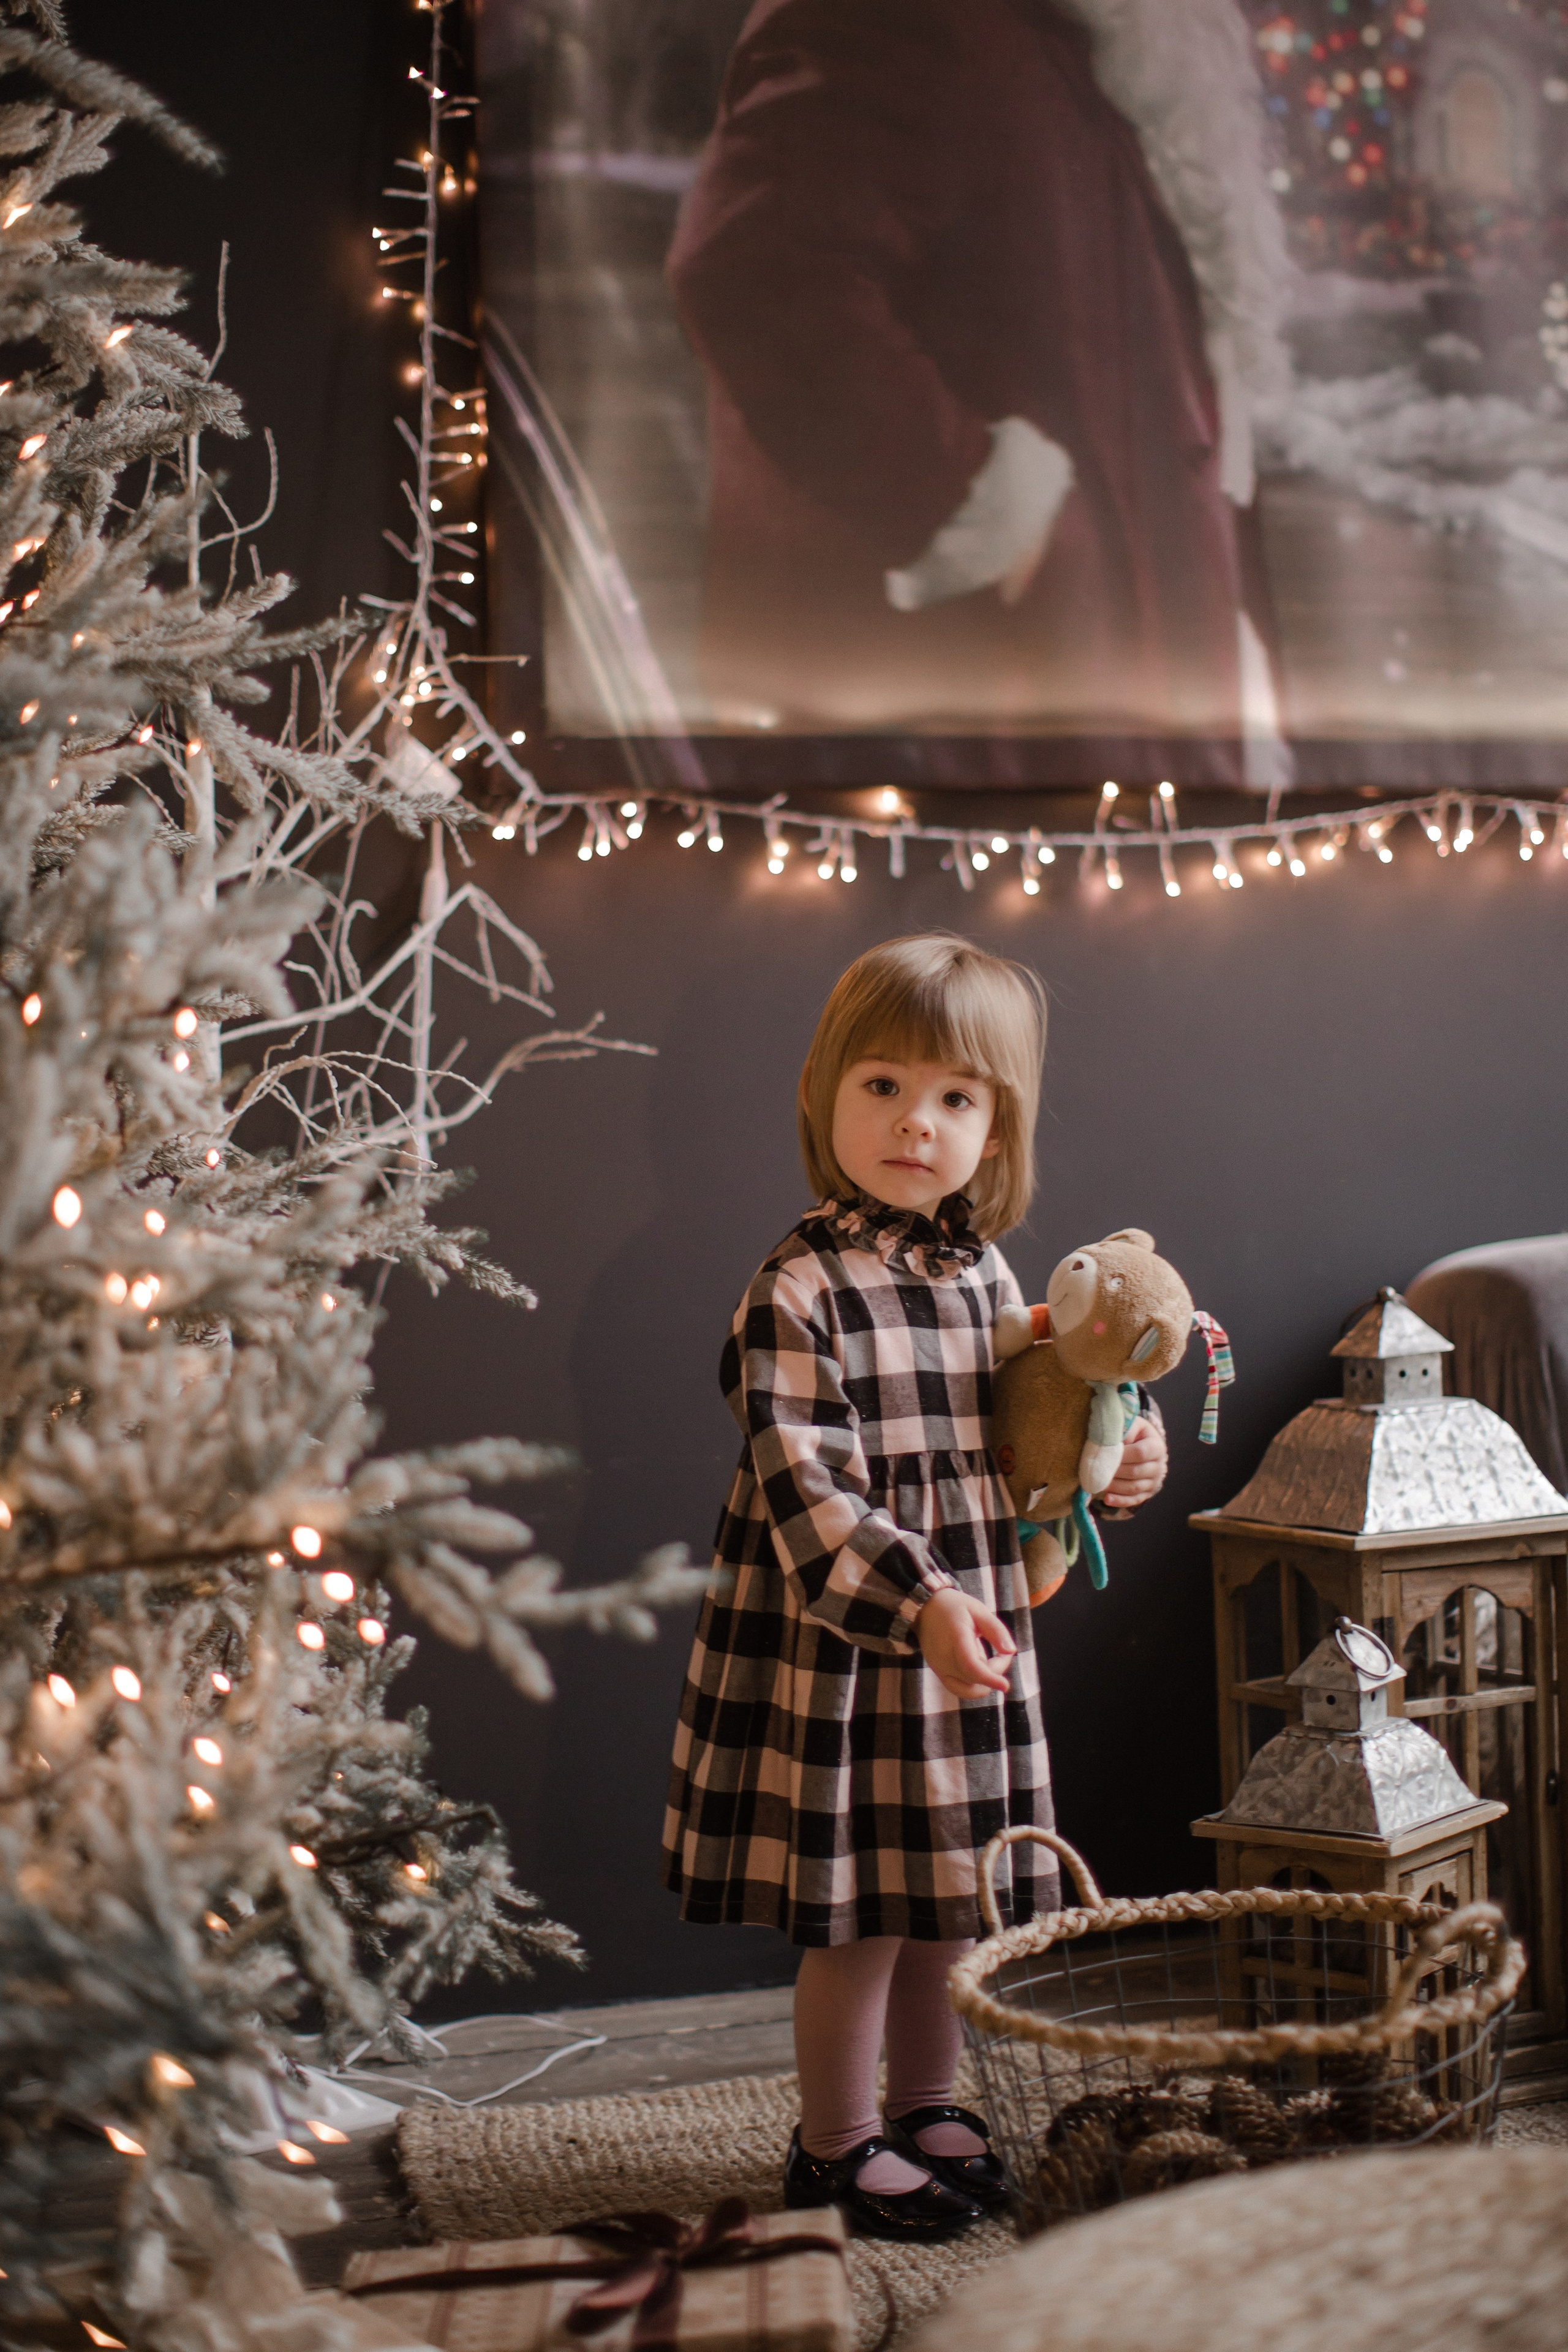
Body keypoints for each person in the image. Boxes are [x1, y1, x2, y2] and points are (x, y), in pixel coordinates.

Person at [660, 936, 1169, 2239]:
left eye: (954, 1098)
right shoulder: (797, 1287)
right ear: (826, 1095)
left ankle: (930, 2103)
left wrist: (1113, 1462)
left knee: (952, 1886)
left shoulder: (985, 1277)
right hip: (854, 1636)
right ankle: (831, 2143)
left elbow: (1039, 1427)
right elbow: (805, 1481)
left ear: (994, 1130)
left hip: (973, 1627)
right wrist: (920, 1596)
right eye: (882, 1085)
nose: (914, 1122)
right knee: (860, 1916)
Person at [666, 0, 1289, 775]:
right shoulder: (910, 18)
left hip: (1115, 670)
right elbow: (757, 267)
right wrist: (972, 495)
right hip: (988, 704)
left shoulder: (1093, 34)